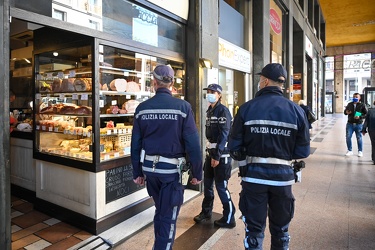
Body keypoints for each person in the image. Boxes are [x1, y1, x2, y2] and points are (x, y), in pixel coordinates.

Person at [228, 63, 310, 250]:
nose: (259, 82)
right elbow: (303, 152)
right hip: (283, 180)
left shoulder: (247, 108)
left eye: (260, 79)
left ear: (265, 81)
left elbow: (234, 147)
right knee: (281, 230)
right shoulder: (296, 111)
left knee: (255, 231)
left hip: (253, 179)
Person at [131, 65, 203, 250]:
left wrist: (137, 172)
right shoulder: (183, 107)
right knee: (168, 216)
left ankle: (160, 244)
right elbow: (193, 144)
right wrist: (197, 172)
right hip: (172, 172)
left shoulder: (142, 108)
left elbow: (135, 144)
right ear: (172, 83)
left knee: (161, 211)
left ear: (154, 82)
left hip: (150, 171)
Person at [193, 83, 236, 228]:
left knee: (221, 186)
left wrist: (217, 156)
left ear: (219, 95)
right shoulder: (210, 110)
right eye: (208, 91)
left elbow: (224, 135)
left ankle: (229, 217)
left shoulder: (223, 111)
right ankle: (206, 212)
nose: (209, 94)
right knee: (208, 185)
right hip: (210, 152)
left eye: (213, 92)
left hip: (221, 155)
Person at [344, 93, 367, 157]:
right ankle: (350, 150)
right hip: (350, 123)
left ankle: (360, 151)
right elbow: (345, 112)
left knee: (359, 137)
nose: (355, 98)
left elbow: (366, 114)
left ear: (359, 98)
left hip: (358, 124)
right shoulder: (349, 104)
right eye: (354, 96)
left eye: (356, 97)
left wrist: (360, 116)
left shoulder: (362, 105)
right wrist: (346, 112)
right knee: (348, 137)